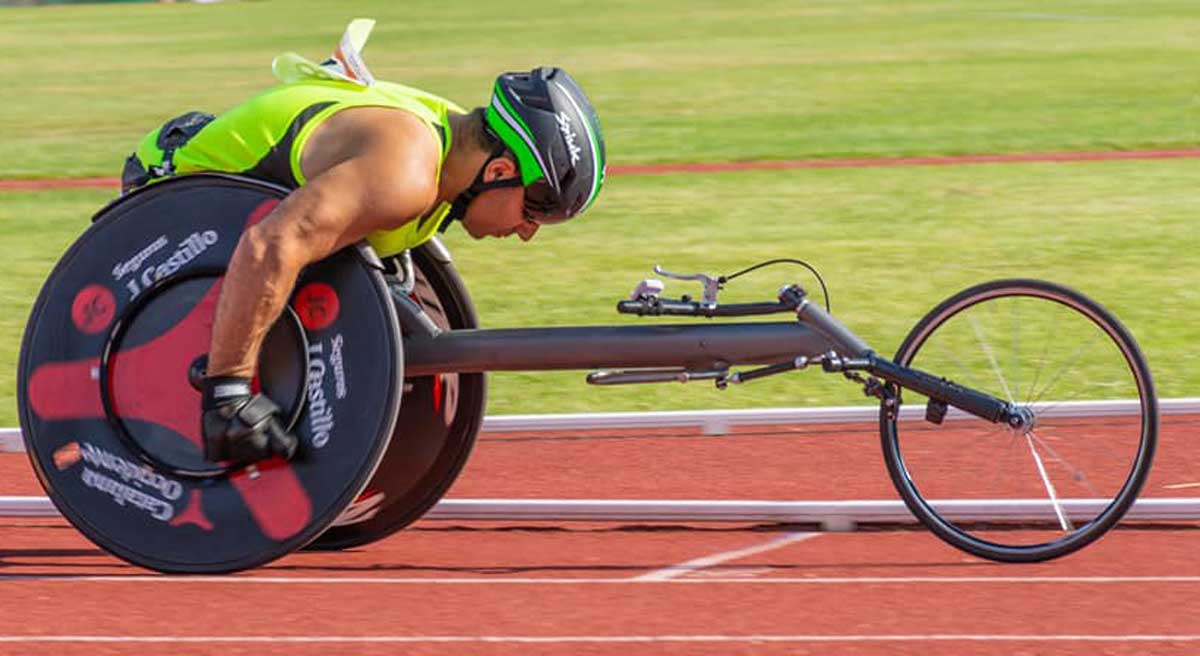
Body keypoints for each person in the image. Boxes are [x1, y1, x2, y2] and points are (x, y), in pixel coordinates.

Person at [121, 20, 607, 463]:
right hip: (168, 201)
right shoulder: (405, 174)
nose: (528, 232)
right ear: (500, 170)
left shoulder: (447, 152)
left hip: (224, 185)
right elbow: (270, 246)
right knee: (291, 248)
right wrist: (228, 393)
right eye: (538, 210)